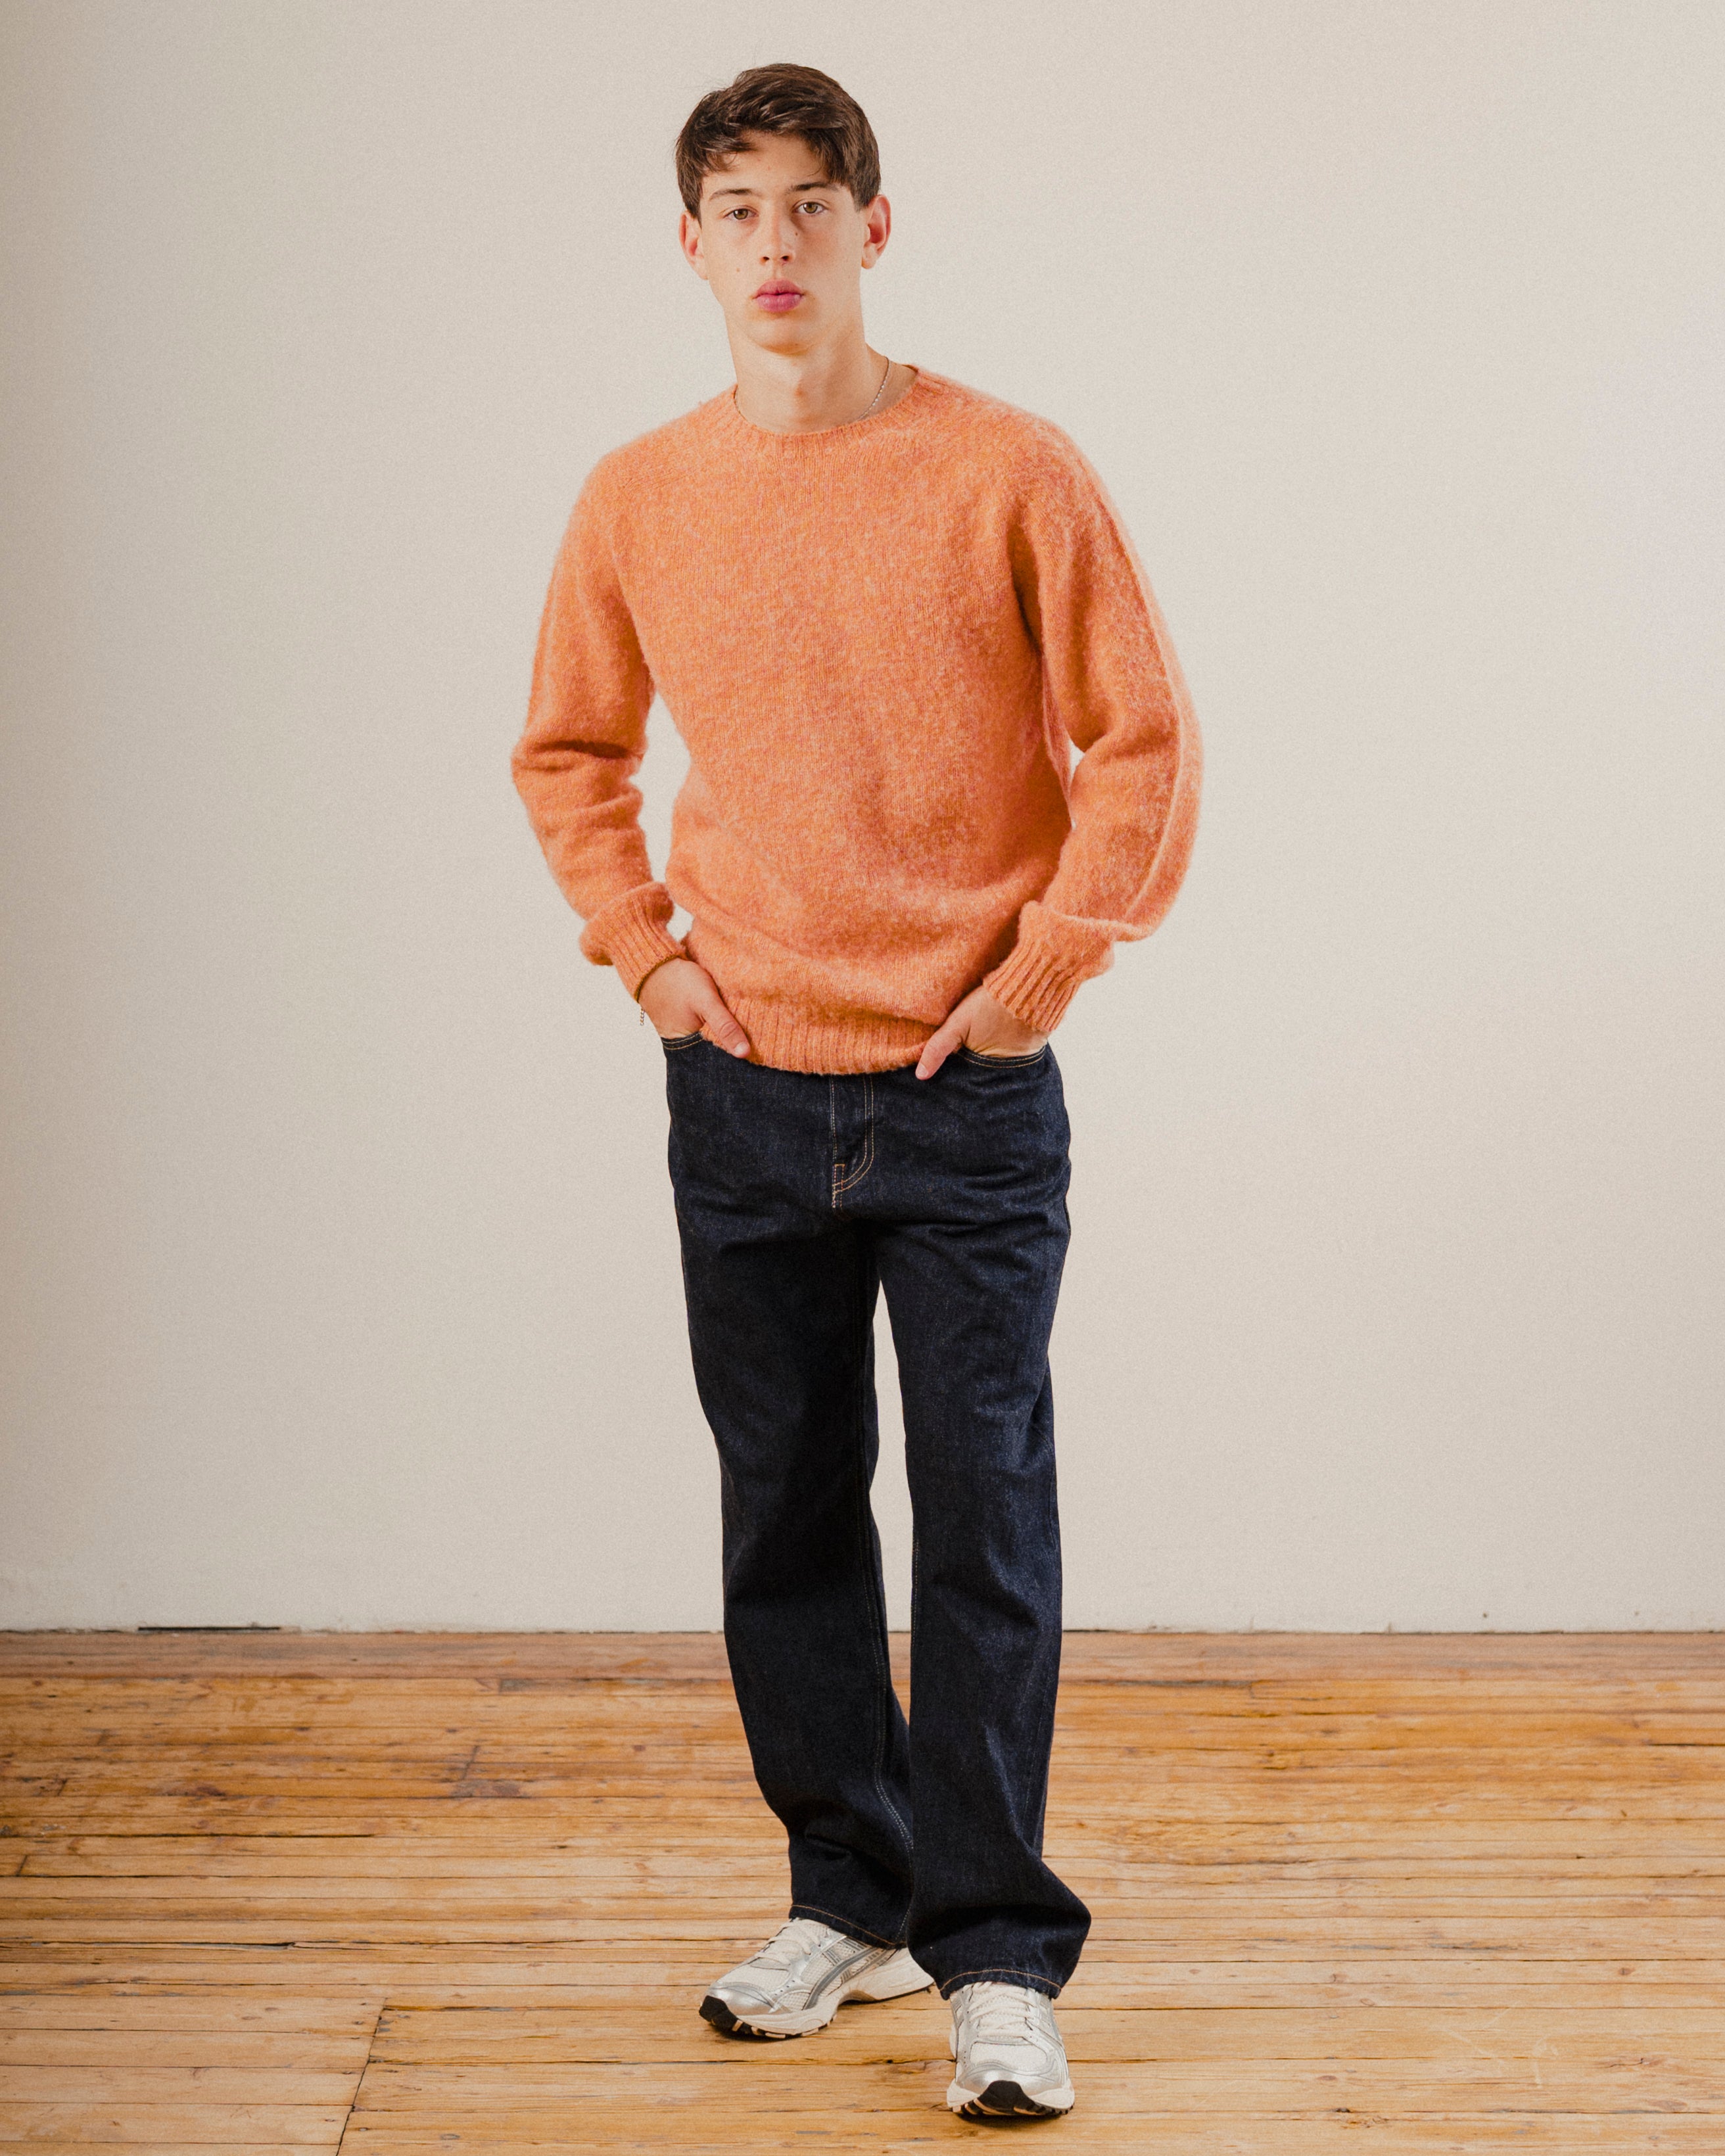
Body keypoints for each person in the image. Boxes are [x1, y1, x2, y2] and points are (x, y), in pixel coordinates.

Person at [511, 60, 1202, 2124]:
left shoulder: (1012, 470)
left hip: (966, 1092)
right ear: (694, 244)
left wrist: (1037, 976)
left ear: (874, 228)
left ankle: (998, 1954)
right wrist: (649, 956)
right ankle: (853, 1892)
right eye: (741, 210)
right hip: (739, 1087)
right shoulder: (639, 493)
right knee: (785, 1513)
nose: (780, 245)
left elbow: (1143, 747)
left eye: (815, 205)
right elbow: (567, 751)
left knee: (984, 1524)